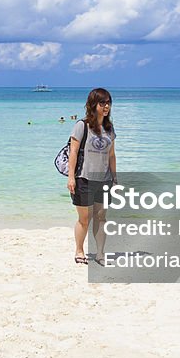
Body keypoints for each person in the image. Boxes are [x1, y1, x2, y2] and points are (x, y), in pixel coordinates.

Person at [67, 88, 117, 265]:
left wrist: (114, 177)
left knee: (102, 217)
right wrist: (71, 177)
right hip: (84, 178)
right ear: (93, 105)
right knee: (85, 218)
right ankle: (79, 251)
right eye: (102, 103)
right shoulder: (82, 126)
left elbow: (111, 155)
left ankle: (100, 253)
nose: (106, 106)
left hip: (104, 180)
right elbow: (73, 151)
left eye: (108, 102)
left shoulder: (109, 129)